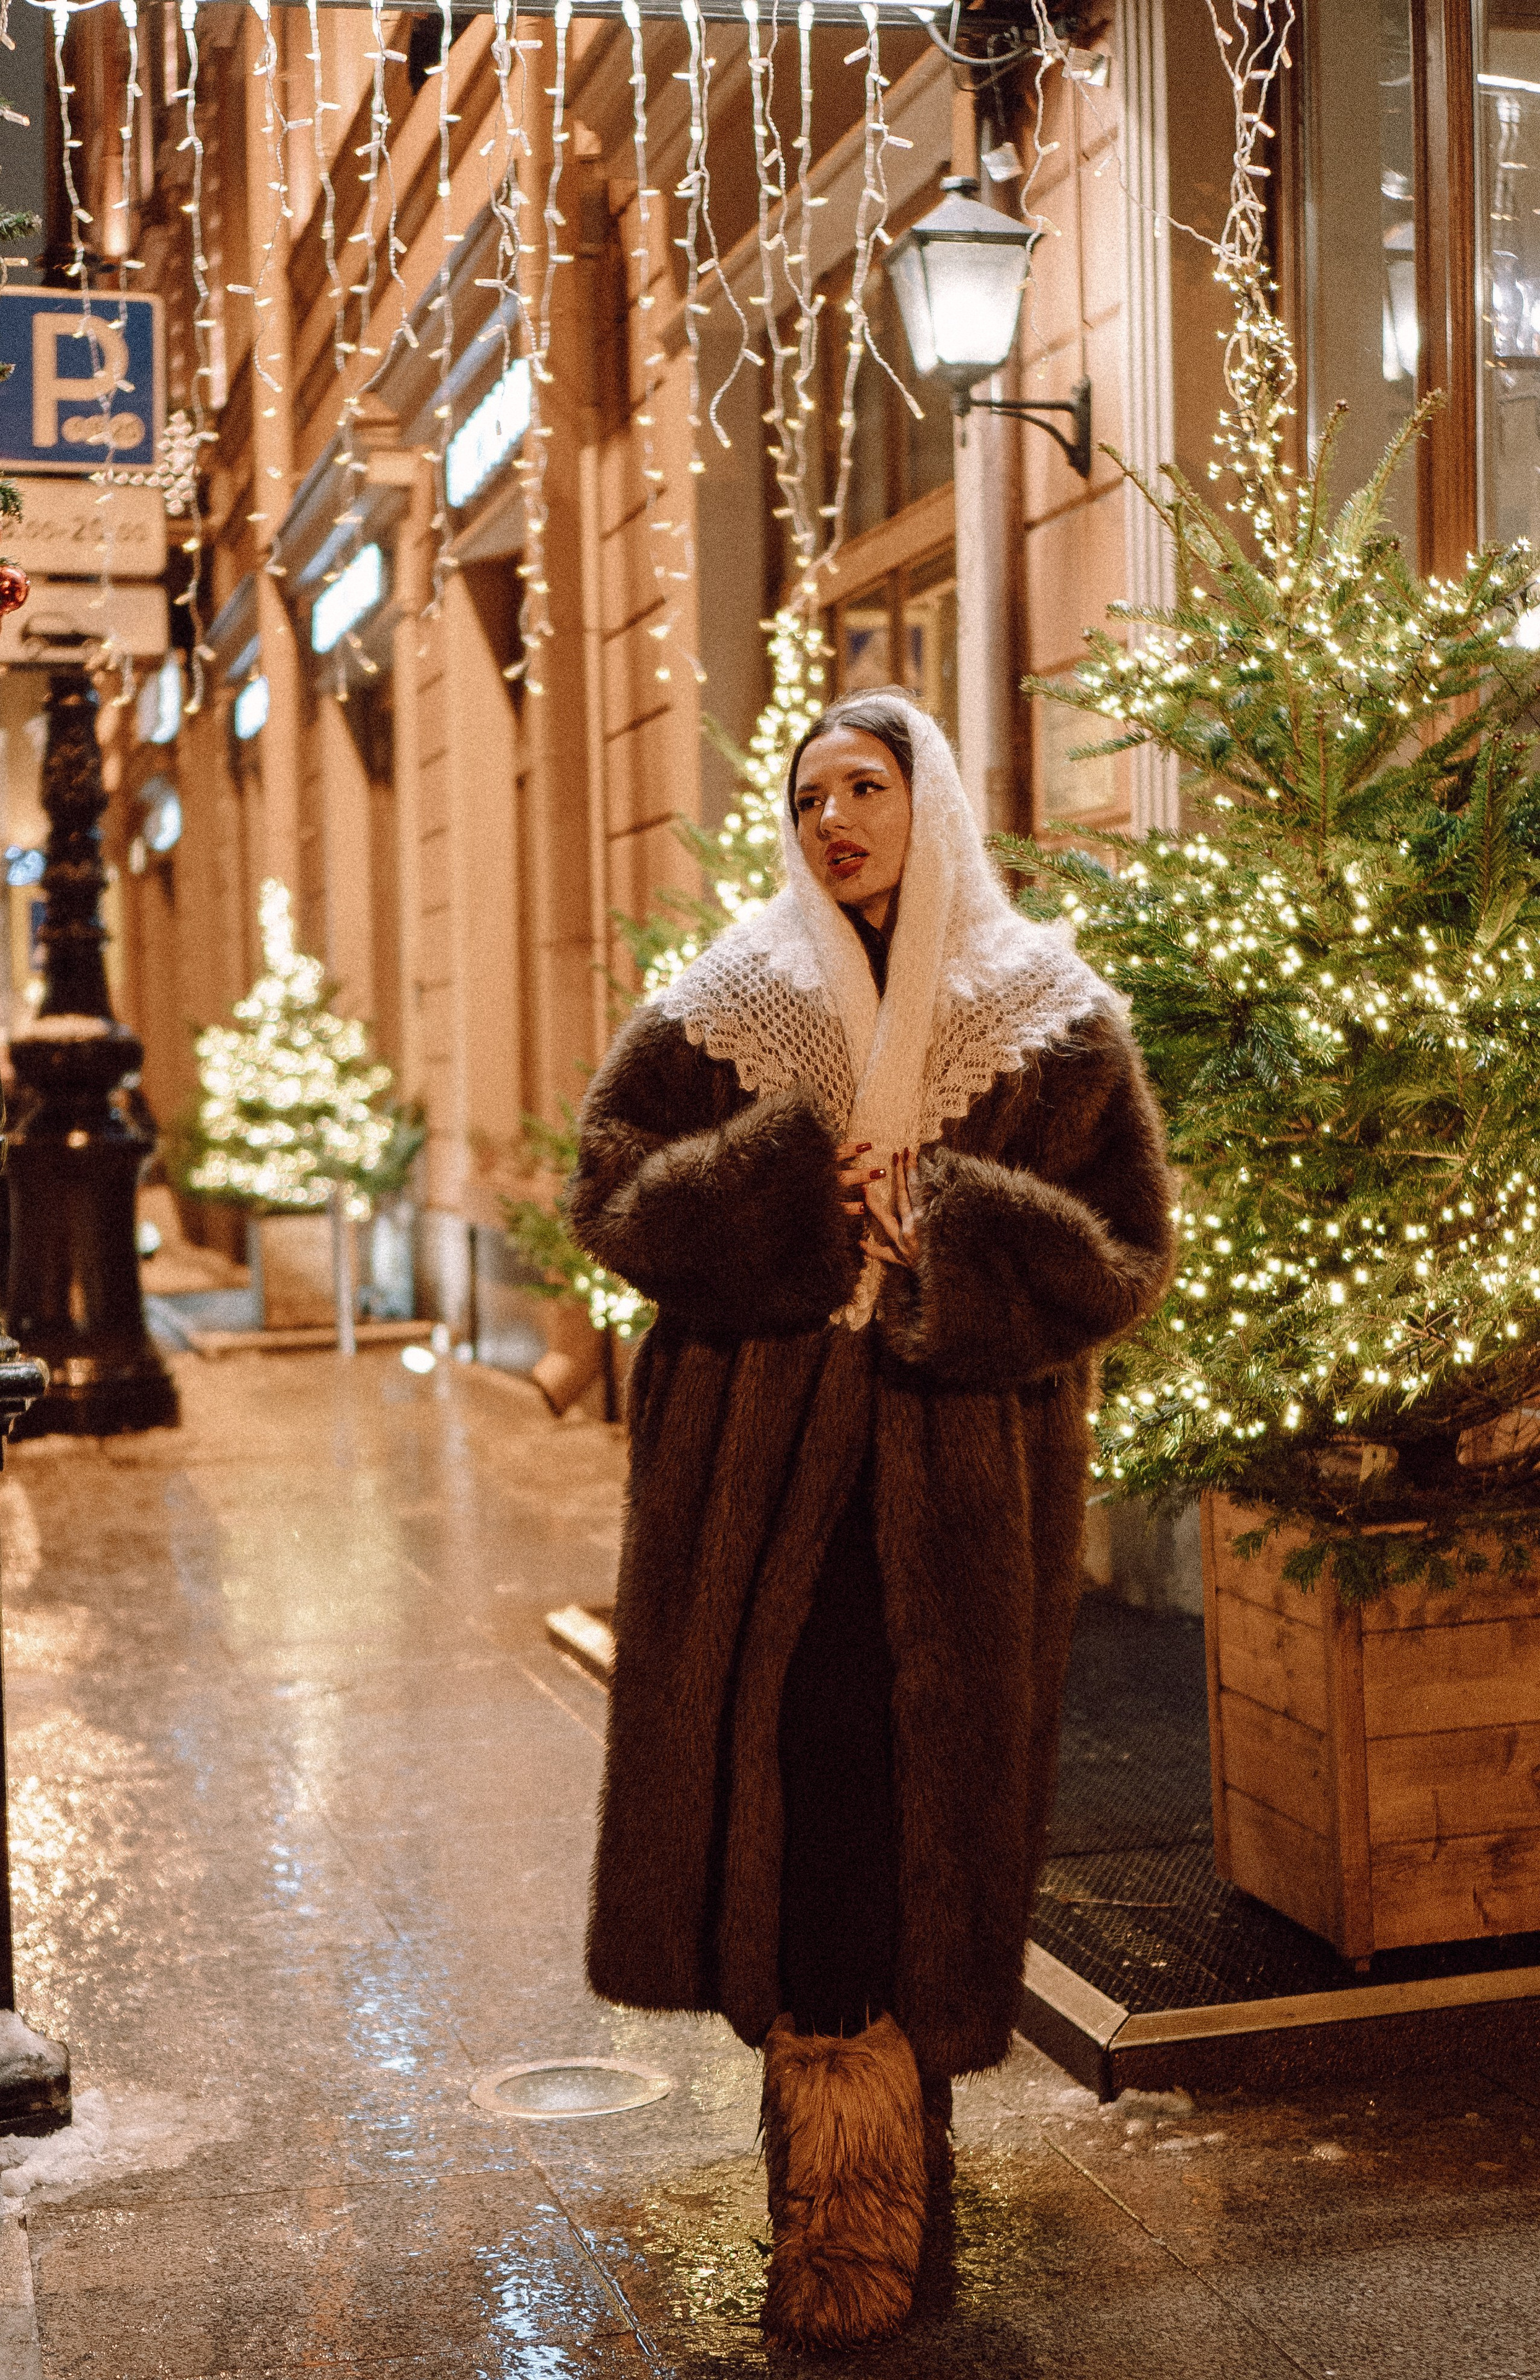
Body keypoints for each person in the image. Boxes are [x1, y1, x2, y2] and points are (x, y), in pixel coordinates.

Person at [568, 689, 1174, 2350]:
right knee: (802, 1788)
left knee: (937, 1798)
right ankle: (824, 2196)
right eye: (809, 794)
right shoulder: (724, 1002)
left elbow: (1127, 1249)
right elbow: (609, 1189)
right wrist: (784, 1184)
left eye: (866, 787)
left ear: (930, 802)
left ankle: (908, 2178)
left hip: (961, 1480)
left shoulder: (1049, 1015)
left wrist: (950, 1225)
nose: (834, 818)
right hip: (754, 1486)